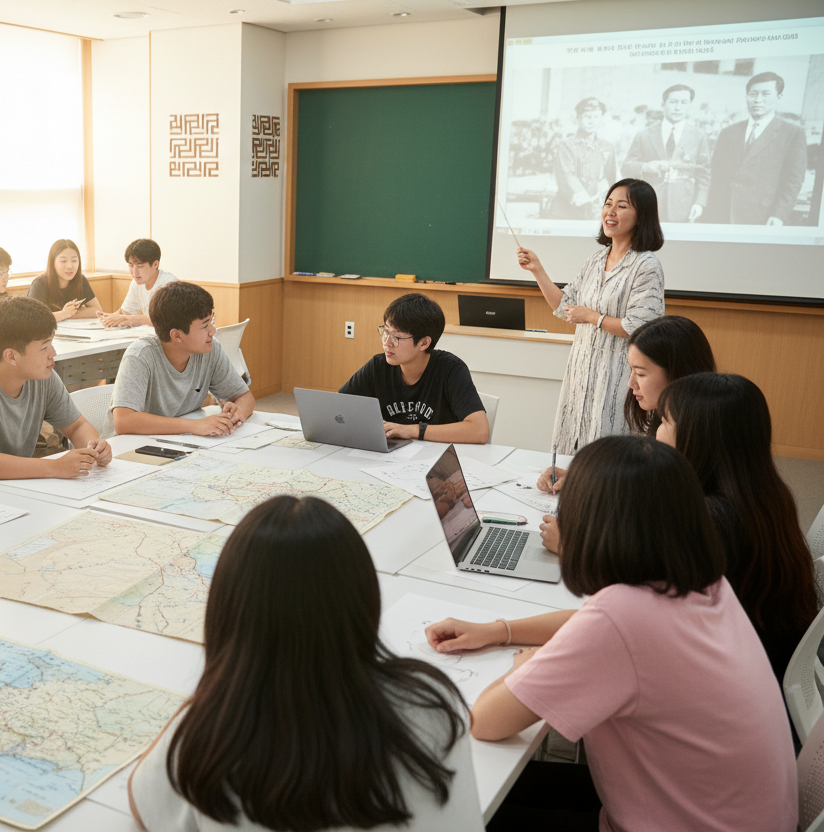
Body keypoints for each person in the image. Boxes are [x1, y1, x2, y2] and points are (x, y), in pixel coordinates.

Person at [426, 436, 797, 832]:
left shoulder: (622, 619)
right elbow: (594, 622)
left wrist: (529, 664)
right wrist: (501, 631)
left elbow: (485, 719)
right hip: (727, 815)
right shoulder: (702, 580)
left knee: (451, 809)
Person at [129, 495, 483, 832]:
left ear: (227, 614)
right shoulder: (432, 704)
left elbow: (142, 802)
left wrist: (214, 691)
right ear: (364, 603)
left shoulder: (208, 739)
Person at [657, 373, 816, 684]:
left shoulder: (712, 520)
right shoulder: (762, 493)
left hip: (729, 677)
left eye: (664, 422)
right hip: (761, 660)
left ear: (697, 438)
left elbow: (641, 600)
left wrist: (572, 549)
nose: (655, 433)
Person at [518, 178, 665, 453]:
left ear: (641, 216)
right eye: (608, 204)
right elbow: (565, 307)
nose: (610, 212)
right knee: (571, 452)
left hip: (618, 377)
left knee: (609, 457)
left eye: (621, 206)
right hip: (581, 373)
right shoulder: (596, 259)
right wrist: (537, 270)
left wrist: (592, 317)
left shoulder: (646, 265)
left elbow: (642, 327)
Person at [0, 296, 111, 485]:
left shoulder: (43, 378)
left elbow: (77, 426)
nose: (53, 353)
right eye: (44, 347)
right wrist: (54, 467)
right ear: (11, 356)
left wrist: (94, 448)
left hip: (14, 487)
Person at [536, 314, 714, 494]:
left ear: (678, 372)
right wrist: (583, 479)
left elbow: (658, 501)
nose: (631, 383)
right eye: (631, 370)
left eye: (641, 374)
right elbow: (645, 481)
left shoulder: (692, 434)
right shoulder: (668, 419)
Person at [339, 293, 489, 445]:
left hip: (438, 458)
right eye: (385, 331)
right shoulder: (378, 366)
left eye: (397, 337)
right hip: (389, 458)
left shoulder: (451, 370)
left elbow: (479, 431)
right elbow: (337, 409)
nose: (387, 342)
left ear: (424, 343)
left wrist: (410, 430)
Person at [111, 281, 254, 437]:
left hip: (179, 441)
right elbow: (124, 421)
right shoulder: (140, 356)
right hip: (131, 447)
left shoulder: (210, 349)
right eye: (205, 325)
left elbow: (244, 396)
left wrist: (238, 413)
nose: (213, 331)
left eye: (212, 321)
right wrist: (194, 425)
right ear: (176, 335)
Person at [706, 71, 808, 226]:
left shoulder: (793, 133)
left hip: (762, 216)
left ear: (778, 97)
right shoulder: (728, 132)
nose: (758, 100)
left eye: (765, 94)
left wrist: (779, 215)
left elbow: (793, 181)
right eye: (753, 94)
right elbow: (715, 174)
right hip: (722, 214)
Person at [621, 84, 710, 222]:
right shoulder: (644, 135)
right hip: (649, 204)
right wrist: (646, 167)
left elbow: (704, 173)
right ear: (663, 105)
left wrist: (699, 202)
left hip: (684, 205)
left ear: (689, 105)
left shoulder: (698, 136)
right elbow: (626, 167)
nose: (678, 108)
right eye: (673, 102)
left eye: (684, 103)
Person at [548, 97, 617, 220]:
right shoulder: (567, 145)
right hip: (568, 208)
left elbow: (611, 176)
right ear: (578, 119)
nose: (592, 121)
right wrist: (580, 194)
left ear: (601, 119)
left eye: (596, 117)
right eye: (587, 117)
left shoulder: (607, 147)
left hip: (596, 208)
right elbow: (566, 174)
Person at [98, 238, 178, 328]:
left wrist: (133, 319)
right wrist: (108, 318)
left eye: (140, 266)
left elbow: (166, 322)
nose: (134, 272)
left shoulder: (169, 285)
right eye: (131, 265)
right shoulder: (137, 282)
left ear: (155, 264)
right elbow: (127, 311)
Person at [28, 238, 103, 322]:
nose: (70, 266)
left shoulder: (80, 279)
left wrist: (69, 313)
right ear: (53, 263)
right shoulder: (39, 284)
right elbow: (34, 319)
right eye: (63, 261)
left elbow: (97, 310)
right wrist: (64, 314)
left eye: (74, 260)